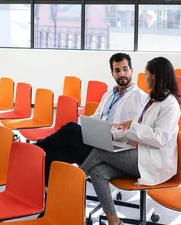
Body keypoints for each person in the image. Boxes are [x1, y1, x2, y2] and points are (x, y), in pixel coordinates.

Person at [80, 56, 181, 225]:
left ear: (157, 76)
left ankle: (73, 183)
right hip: (140, 154)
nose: (145, 77)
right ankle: (114, 221)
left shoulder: (170, 105)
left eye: (148, 74)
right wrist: (121, 129)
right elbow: (138, 127)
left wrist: (131, 127)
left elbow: (159, 138)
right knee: (97, 171)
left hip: (154, 161)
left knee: (101, 152)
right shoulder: (153, 99)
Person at [35, 53, 148, 184]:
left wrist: (108, 135)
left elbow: (133, 130)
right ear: (112, 73)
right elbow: (95, 117)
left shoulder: (141, 98)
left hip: (114, 149)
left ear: (131, 70)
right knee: (57, 152)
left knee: (70, 129)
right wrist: (87, 128)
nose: (122, 74)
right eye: (117, 70)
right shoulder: (108, 95)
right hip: (95, 141)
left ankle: (36, 149)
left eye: (125, 69)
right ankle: (47, 187)